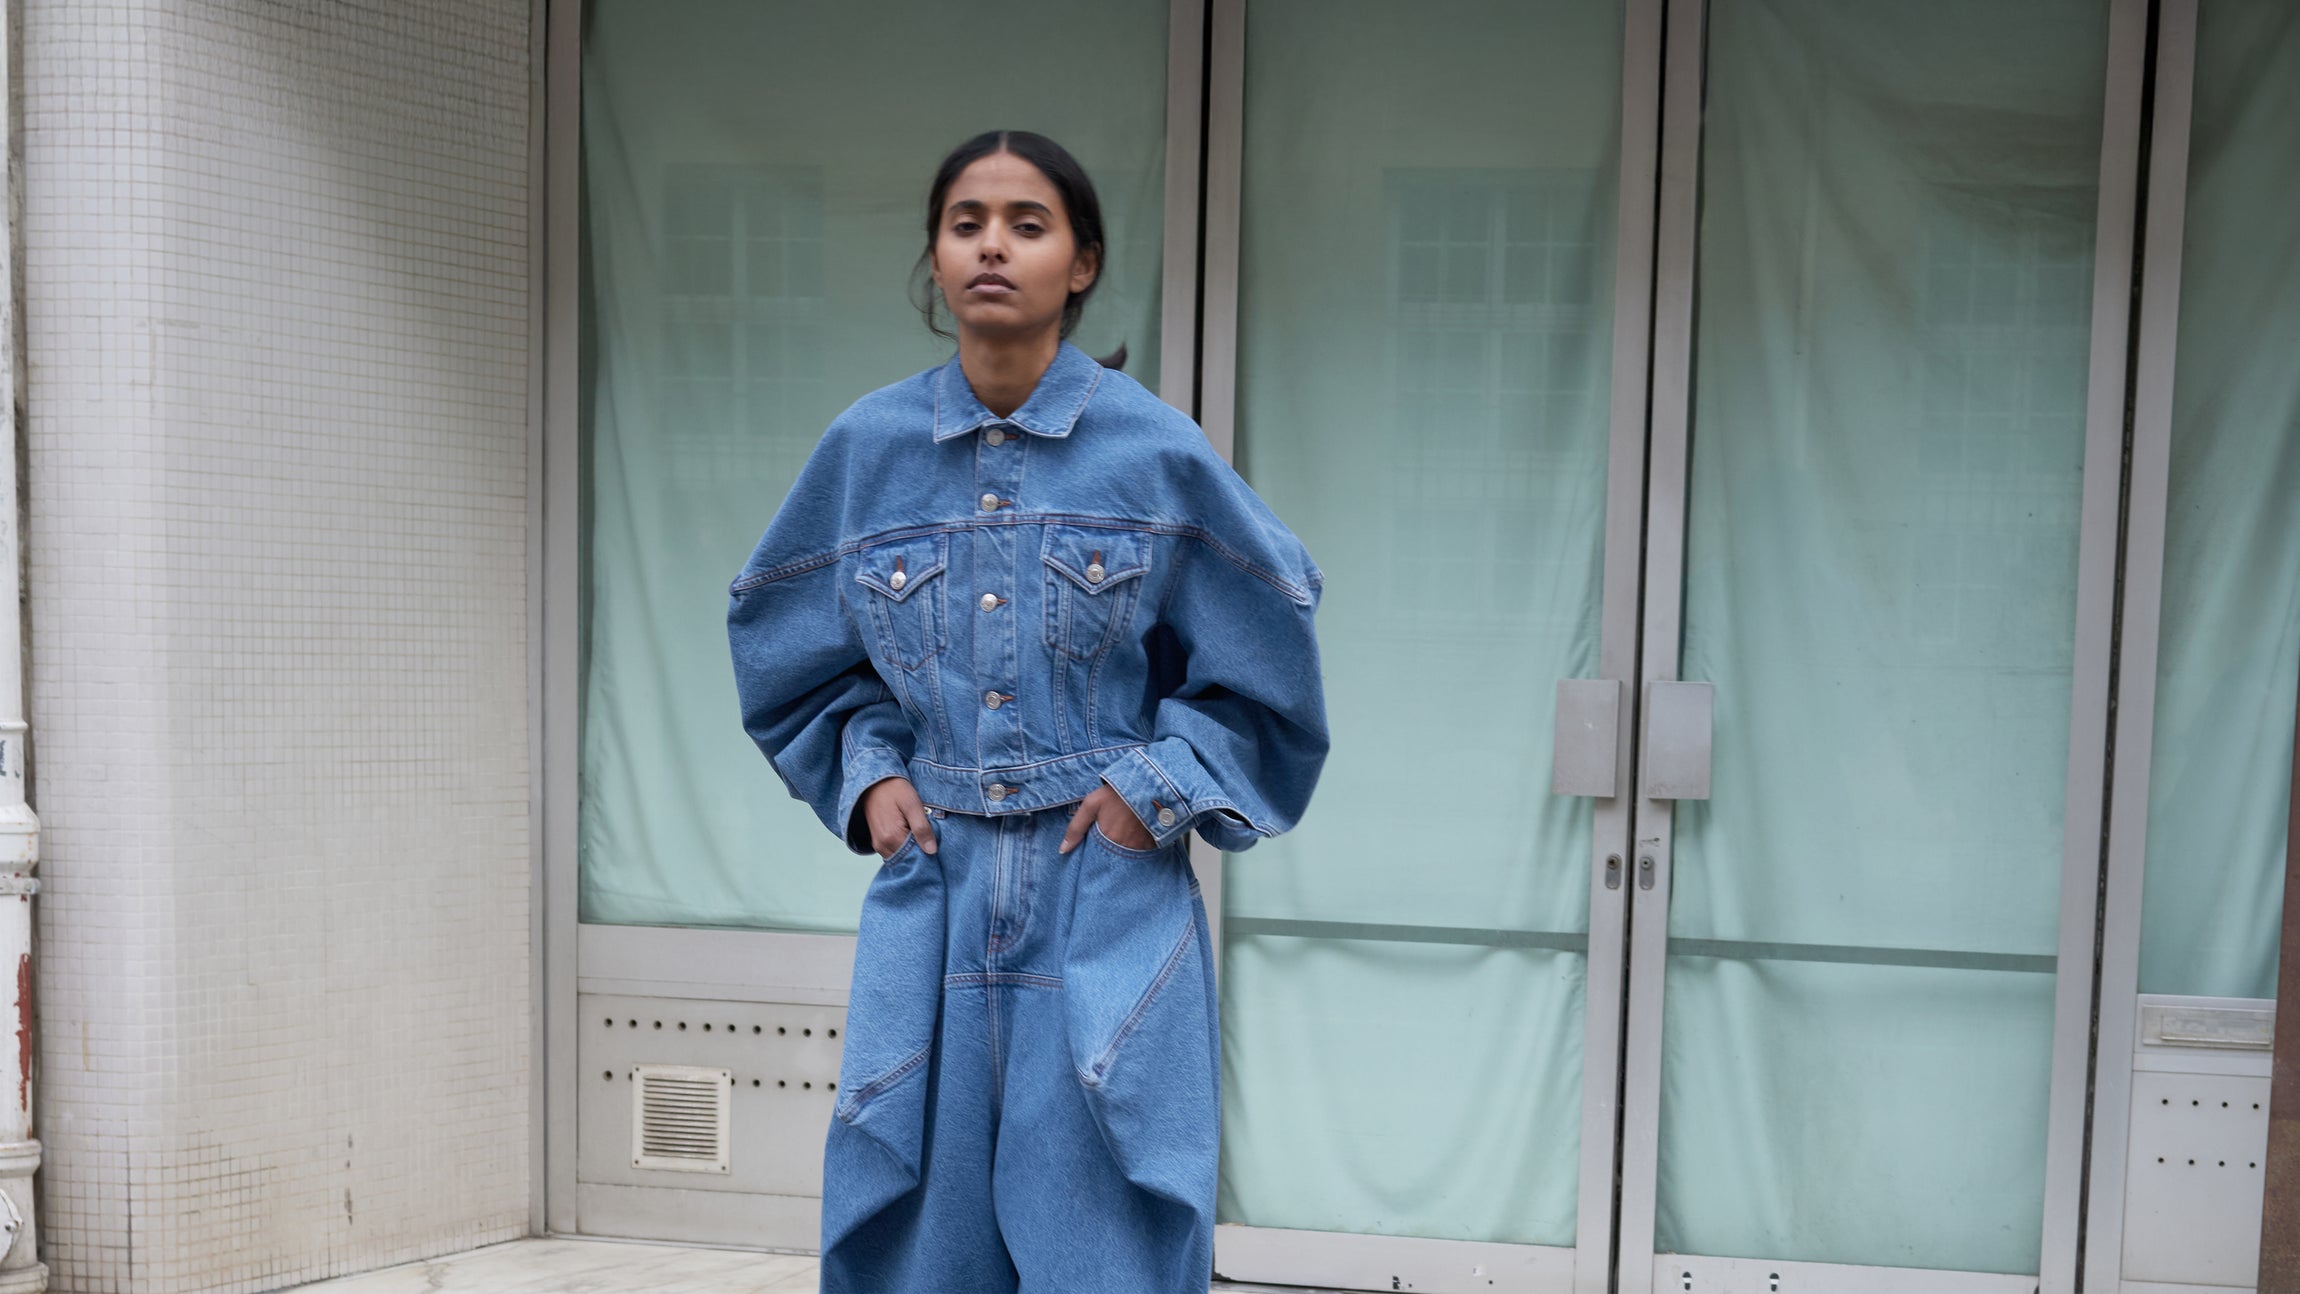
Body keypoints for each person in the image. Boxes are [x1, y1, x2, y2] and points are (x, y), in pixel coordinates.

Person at [726, 129, 1329, 1294]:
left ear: (1083, 261)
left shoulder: (1150, 450)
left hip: (1101, 893)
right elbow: (779, 640)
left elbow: (1271, 638)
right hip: (934, 891)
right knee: (910, 1226)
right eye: (966, 223)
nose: (992, 245)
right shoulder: (865, 452)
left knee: (1109, 1222)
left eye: (1027, 223)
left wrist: (1147, 790)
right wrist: (871, 777)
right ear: (936, 258)